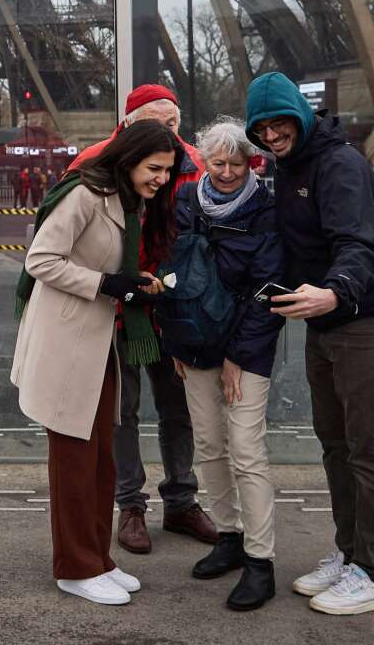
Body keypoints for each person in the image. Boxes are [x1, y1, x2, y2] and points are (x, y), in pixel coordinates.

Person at [245, 72, 374, 616]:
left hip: (366, 317)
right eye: (261, 129)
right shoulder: (290, 165)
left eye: (279, 124)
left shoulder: (339, 165)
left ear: (300, 116)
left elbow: (360, 244)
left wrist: (335, 292)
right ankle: (351, 554)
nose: (271, 136)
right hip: (326, 317)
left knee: (367, 448)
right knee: (336, 445)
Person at [12, 120, 183, 606]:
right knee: (73, 461)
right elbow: (40, 260)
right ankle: (75, 567)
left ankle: (98, 559)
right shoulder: (85, 195)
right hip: (67, 342)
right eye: (155, 168)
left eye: (167, 171)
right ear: (129, 160)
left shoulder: (124, 199)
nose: (162, 179)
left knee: (100, 458)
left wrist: (129, 281)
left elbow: (102, 263)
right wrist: (108, 284)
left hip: (96, 342)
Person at [69, 83, 215, 555]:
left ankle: (181, 499)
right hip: (119, 305)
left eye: (173, 124)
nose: (166, 134)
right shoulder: (93, 164)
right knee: (122, 410)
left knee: (179, 408)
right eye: (157, 124)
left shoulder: (195, 165)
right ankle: (130, 504)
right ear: (130, 124)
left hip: (174, 306)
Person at [160, 116, 285, 611]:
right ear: (204, 162)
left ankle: (260, 559)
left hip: (244, 347)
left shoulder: (265, 210)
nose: (228, 172)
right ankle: (229, 535)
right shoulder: (185, 200)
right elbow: (170, 271)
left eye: (238, 163)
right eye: (218, 163)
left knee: (247, 451)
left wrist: (238, 355)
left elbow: (269, 288)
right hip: (194, 343)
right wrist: (175, 340)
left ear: (252, 163)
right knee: (210, 445)